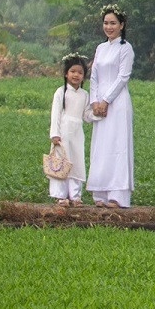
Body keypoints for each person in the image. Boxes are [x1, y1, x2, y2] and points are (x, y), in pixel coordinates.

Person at [86, 5, 135, 208]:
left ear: (121, 25)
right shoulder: (100, 48)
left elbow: (123, 77)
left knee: (117, 145)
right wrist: (95, 101)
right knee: (101, 146)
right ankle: (101, 194)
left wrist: (106, 100)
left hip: (118, 102)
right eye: (106, 23)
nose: (109, 27)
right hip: (100, 103)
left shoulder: (126, 48)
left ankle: (117, 196)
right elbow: (94, 76)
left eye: (113, 23)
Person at [47, 54, 90, 206]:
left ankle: (75, 196)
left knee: (76, 163)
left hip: (77, 133)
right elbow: (55, 114)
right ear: (66, 74)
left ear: (84, 76)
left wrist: (98, 113)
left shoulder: (85, 95)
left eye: (80, 72)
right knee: (62, 162)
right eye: (73, 71)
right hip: (63, 133)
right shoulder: (61, 92)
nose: (76, 75)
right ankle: (61, 196)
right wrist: (55, 134)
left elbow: (86, 115)